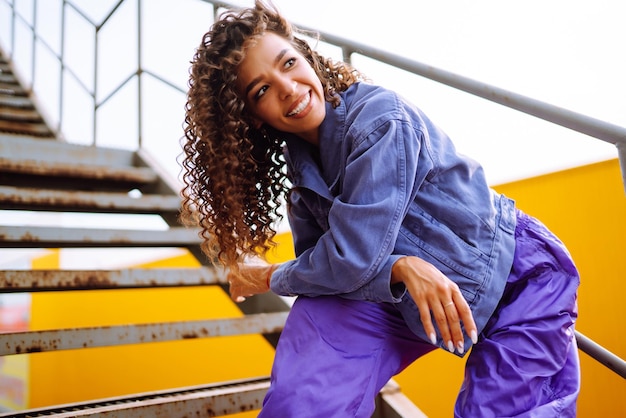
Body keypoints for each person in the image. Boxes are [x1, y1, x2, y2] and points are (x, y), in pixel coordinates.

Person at [180, 1, 581, 416]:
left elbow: (350, 259)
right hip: (408, 300)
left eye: (288, 63)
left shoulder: (379, 119)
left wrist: (267, 276)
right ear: (253, 118)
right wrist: (400, 268)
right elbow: (335, 277)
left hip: (518, 280)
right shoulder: (304, 181)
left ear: (310, 57)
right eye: (261, 90)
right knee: (308, 368)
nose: (287, 87)